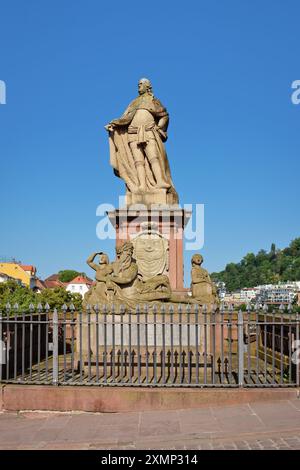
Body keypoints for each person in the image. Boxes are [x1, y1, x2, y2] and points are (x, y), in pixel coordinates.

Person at [105, 78, 178, 201]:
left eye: (141, 84)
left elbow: (164, 115)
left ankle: (160, 181)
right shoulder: (133, 103)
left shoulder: (153, 100)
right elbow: (125, 118)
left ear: (147, 86)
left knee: (153, 158)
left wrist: (159, 127)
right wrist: (114, 124)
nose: (139, 85)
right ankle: (142, 185)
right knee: (138, 162)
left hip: (149, 131)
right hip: (133, 133)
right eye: (138, 83)